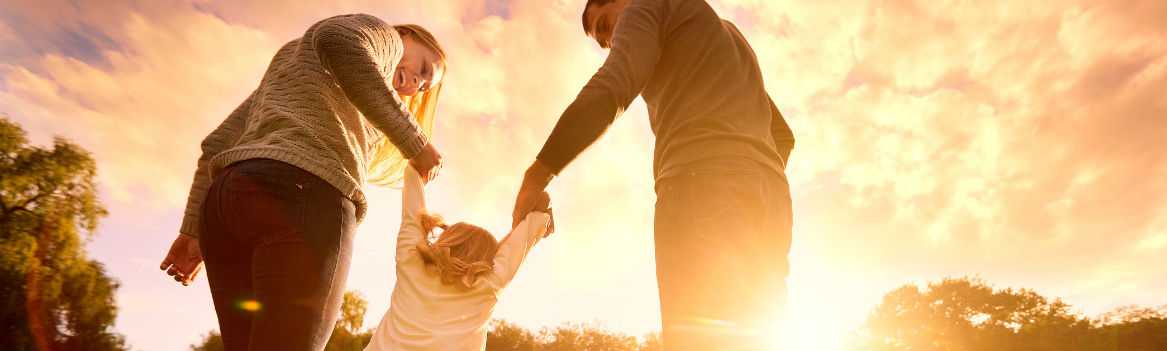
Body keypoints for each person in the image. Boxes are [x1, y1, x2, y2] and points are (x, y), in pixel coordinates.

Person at [510, 0, 795, 349]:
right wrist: (746, 177)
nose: (610, 42)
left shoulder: (645, 6)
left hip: (699, 187)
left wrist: (537, 176)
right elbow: (782, 136)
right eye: (602, 41)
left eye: (604, 26)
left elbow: (613, 86)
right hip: (771, 199)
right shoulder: (725, 34)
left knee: (698, 339)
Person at [157, 14, 448, 350]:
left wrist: (193, 229)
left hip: (226, 205)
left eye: (424, 87)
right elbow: (336, 39)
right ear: (405, 36)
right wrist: (416, 142)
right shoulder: (384, 38)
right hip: (304, 194)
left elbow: (217, 144)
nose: (415, 83)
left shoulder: (295, 61)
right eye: (423, 68)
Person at [365, 168, 554, 351]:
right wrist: (530, 222)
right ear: (490, 259)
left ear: (446, 240)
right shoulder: (489, 282)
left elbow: (412, 211)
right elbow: (540, 206)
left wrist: (417, 167)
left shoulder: (412, 259)